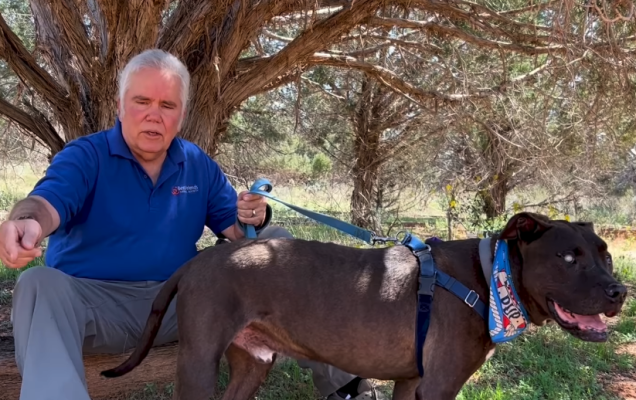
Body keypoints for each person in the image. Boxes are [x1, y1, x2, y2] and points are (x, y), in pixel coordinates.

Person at [0, 49, 385, 400]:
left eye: (167, 105)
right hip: (95, 310)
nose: (154, 114)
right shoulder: (86, 156)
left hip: (182, 306)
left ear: (181, 114)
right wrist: (26, 222)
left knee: (278, 246)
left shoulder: (195, 163)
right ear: (120, 106)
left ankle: (346, 388)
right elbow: (45, 203)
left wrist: (254, 217)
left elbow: (237, 234)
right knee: (37, 284)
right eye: (142, 102)